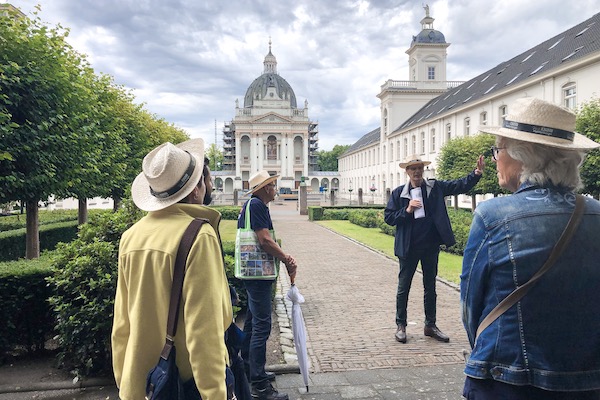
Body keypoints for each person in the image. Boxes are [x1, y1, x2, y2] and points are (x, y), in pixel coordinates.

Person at [461, 97, 600, 399]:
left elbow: (471, 310)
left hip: (507, 380)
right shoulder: (597, 214)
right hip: (586, 383)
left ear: (523, 157)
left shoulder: (492, 216)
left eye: (498, 150)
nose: (495, 158)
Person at [112, 138, 233, 400]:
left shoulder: (131, 236)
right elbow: (205, 333)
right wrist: (215, 394)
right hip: (182, 384)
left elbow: (121, 323)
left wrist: (126, 383)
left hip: (142, 384)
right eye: (206, 180)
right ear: (196, 189)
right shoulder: (198, 235)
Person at [384, 153, 484, 343]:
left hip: (430, 246)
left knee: (430, 287)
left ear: (423, 170)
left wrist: (476, 174)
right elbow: (388, 218)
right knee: (403, 287)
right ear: (407, 172)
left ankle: (430, 325)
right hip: (409, 247)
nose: (417, 172)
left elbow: (458, 185)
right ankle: (401, 325)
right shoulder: (398, 193)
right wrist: (407, 210)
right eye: (413, 169)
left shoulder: (434, 187)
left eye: (419, 168)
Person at [238, 170, 297, 400]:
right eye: (272, 185)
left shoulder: (252, 205)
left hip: (251, 273)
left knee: (253, 323)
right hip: (257, 275)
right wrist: (286, 258)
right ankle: (260, 387)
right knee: (262, 326)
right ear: (264, 188)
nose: (275, 189)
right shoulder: (257, 206)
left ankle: (250, 368)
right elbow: (264, 240)